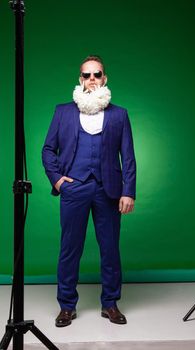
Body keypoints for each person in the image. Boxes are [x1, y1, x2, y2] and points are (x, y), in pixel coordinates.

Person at [42, 55, 136, 327]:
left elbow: (127, 157)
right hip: (75, 188)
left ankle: (110, 304)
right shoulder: (63, 111)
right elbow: (48, 149)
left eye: (97, 74)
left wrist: (128, 191)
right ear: (80, 80)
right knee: (70, 249)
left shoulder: (120, 114)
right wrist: (58, 180)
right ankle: (67, 306)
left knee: (110, 249)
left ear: (104, 78)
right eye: (87, 75)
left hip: (109, 190)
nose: (92, 79)